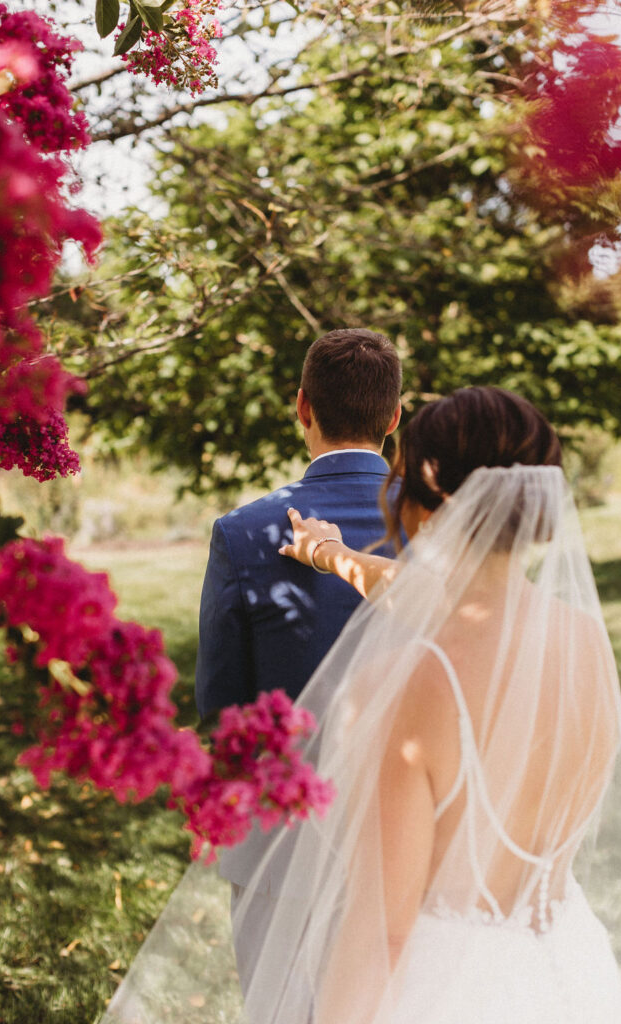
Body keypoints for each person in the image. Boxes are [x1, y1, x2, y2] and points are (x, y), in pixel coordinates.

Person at [231, 386, 621, 1024]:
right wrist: (330, 554)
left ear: (420, 504)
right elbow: (420, 589)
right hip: (569, 971)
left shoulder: (407, 686)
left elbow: (382, 933)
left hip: (448, 992)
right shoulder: (585, 642)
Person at [194, 327, 402, 991]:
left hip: (282, 835)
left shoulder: (244, 531)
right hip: (408, 830)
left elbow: (219, 701)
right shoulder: (447, 521)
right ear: (395, 417)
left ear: (301, 406)